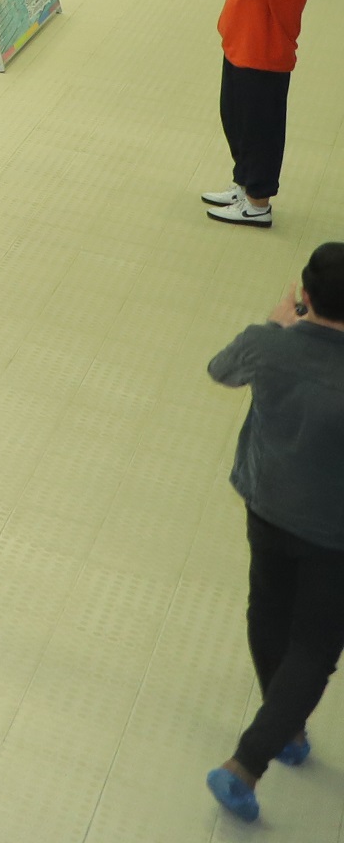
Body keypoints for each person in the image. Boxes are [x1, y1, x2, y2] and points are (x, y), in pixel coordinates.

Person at [202, 244, 344, 821]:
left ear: (304, 294)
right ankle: (247, 762)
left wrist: (274, 324)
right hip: (333, 537)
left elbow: (220, 369)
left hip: (266, 508)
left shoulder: (269, 346)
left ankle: (285, 727)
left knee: (267, 612)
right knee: (314, 647)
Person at [207, 0, 315, 227]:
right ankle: (244, 184)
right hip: (240, 47)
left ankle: (258, 203)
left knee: (261, 132)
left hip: (264, 56)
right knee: (236, 123)